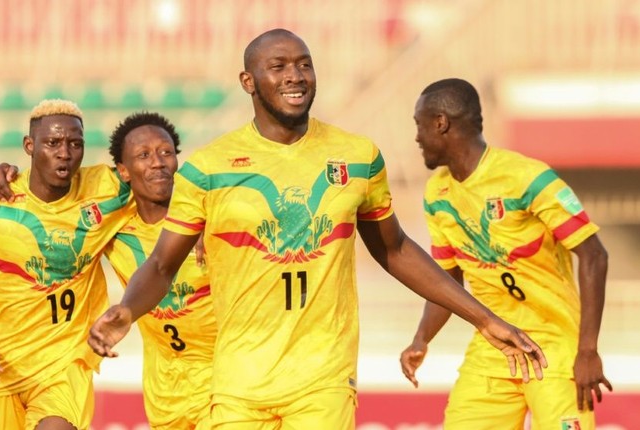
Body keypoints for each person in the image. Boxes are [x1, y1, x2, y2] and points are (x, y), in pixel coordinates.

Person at [88, 29, 547, 429]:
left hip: (323, 377)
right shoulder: (209, 168)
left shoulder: (357, 156)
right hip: (237, 381)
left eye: (305, 64)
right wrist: (127, 310)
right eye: (279, 66)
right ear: (248, 82)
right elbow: (163, 266)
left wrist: (484, 318)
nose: (295, 75)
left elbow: (396, 250)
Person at [400, 78, 612, 429]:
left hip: (554, 347)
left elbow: (594, 255)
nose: (417, 137)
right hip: (494, 348)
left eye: (419, 125)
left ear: (440, 123)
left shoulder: (526, 177)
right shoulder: (437, 192)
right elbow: (447, 276)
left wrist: (587, 350)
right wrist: (421, 338)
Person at [0, 99, 134, 430]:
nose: (65, 153)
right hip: (0, 365)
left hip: (65, 361)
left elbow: (159, 182)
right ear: (29, 146)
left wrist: (198, 228)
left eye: (75, 144)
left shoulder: (106, 188)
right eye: (52, 143)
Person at [103, 112, 216, 429]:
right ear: (123, 171)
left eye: (166, 152)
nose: (157, 162)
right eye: (143, 155)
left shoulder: (209, 217)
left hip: (224, 380)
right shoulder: (114, 229)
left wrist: (216, 223)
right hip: (165, 390)